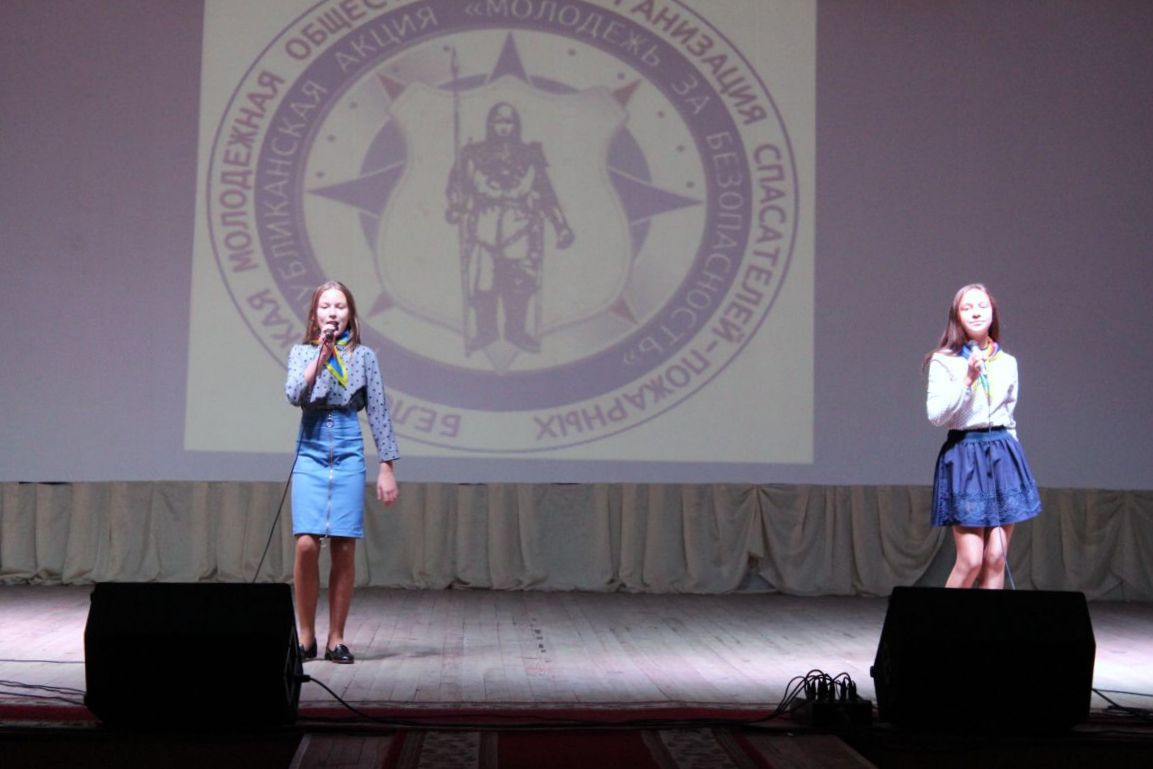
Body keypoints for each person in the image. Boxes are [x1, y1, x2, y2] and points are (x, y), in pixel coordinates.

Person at [285, 280, 399, 663]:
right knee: (306, 543)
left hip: (349, 450)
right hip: (311, 450)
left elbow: (378, 411)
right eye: (325, 306)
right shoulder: (302, 353)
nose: (332, 312)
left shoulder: (364, 357)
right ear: (315, 314)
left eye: (340, 306)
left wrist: (386, 466)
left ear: (350, 314)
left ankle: (336, 638)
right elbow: (294, 394)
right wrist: (321, 356)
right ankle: (305, 636)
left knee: (344, 546)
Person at [925, 283, 1041, 589]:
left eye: (982, 306)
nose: (975, 312)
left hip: (1003, 454)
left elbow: (1009, 415)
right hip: (965, 455)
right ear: (957, 316)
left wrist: (1014, 457)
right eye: (967, 308)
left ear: (992, 313)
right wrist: (967, 380)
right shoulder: (943, 360)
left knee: (996, 557)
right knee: (971, 559)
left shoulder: (1008, 362)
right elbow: (936, 416)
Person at [445, 101, 574, 353]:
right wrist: (455, 205)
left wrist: (561, 226)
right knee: (483, 283)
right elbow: (456, 186)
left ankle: (516, 332)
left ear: (516, 125)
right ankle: (486, 332)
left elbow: (545, 193)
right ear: (490, 123)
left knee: (519, 283)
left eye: (508, 122)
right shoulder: (472, 154)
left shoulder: (530, 155)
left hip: (519, 226)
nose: (503, 127)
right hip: (484, 225)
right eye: (499, 121)